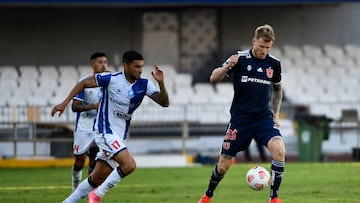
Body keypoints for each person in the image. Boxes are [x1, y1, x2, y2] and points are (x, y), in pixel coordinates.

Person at [51, 50, 170, 203]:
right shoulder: (111, 79)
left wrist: (161, 83)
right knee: (129, 165)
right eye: (136, 67)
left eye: (141, 67)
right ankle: (97, 195)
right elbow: (84, 83)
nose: (140, 70)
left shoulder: (144, 84)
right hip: (105, 132)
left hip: (119, 135)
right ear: (126, 66)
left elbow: (164, 102)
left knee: (96, 179)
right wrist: (64, 103)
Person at [198, 24, 286, 203]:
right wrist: (228, 66)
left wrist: (276, 114)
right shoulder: (240, 58)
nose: (264, 51)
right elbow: (213, 78)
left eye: (268, 48)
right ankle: (208, 195)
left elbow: (278, 89)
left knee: (280, 150)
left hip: (263, 119)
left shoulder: (274, 64)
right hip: (240, 120)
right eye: (261, 46)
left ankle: (274, 198)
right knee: (223, 165)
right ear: (254, 41)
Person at [70, 52, 107, 191]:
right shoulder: (84, 83)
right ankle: (75, 186)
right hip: (84, 127)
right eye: (100, 62)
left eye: (105, 62)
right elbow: (74, 107)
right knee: (79, 162)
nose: (103, 65)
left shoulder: (110, 82)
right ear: (92, 64)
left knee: (95, 161)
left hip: (100, 127)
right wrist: (93, 106)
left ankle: (91, 193)